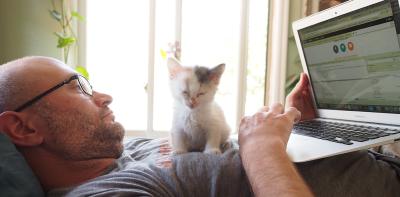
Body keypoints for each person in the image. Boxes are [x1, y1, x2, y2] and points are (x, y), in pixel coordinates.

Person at [0, 56, 399, 197]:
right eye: (78, 88)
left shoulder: (128, 152)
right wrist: (262, 151)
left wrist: (297, 125)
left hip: (371, 152)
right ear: (24, 128)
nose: (102, 96)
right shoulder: (106, 191)